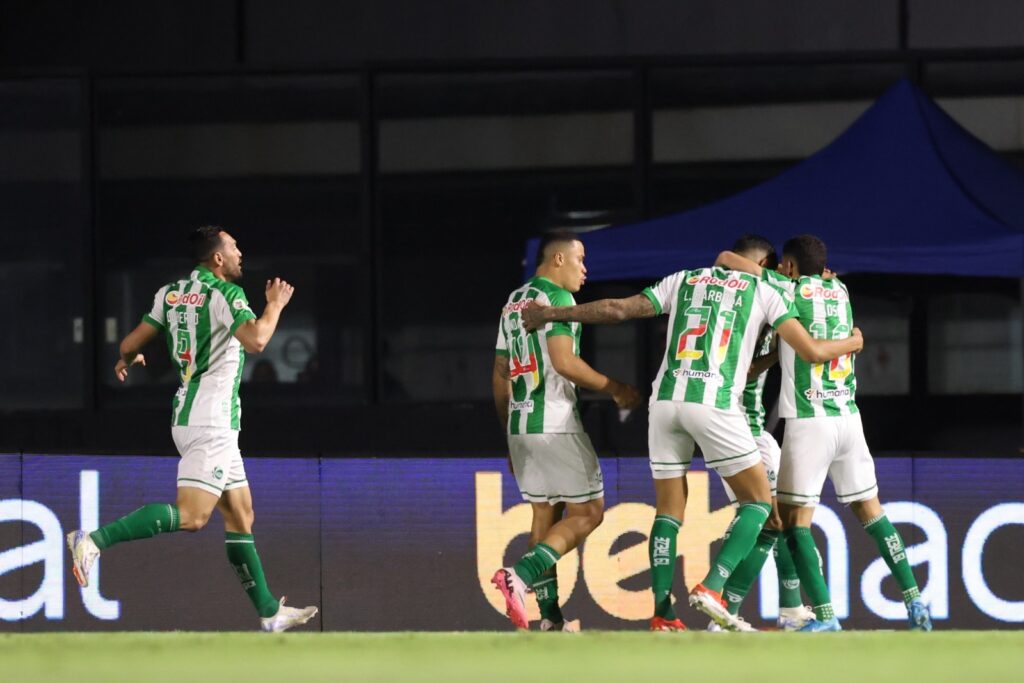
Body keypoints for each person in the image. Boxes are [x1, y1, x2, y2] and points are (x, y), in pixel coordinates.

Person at [522, 259, 862, 631]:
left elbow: (616, 309)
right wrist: (850, 333)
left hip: (665, 403)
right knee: (761, 504)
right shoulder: (769, 290)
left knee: (669, 511)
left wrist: (551, 313)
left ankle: (662, 613)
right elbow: (810, 349)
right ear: (765, 265)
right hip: (714, 403)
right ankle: (714, 589)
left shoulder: (683, 279)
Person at [66, 225, 318, 633]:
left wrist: (127, 359)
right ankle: (92, 540)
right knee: (193, 516)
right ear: (217, 258)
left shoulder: (170, 293)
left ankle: (270, 612)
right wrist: (274, 305)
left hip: (194, 415)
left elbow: (130, 342)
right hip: (211, 420)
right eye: (234, 247)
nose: (240, 253)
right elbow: (256, 341)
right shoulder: (226, 295)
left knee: (241, 514)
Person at [716, 234, 932, 632]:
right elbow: (805, 313)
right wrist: (853, 340)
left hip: (810, 420)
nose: (778, 270)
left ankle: (826, 618)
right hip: (849, 418)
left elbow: (728, 258)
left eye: (782, 265)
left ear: (792, 268)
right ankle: (915, 601)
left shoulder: (786, 287)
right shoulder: (840, 289)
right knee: (873, 512)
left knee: (794, 523)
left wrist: (771, 275)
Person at [491, 231, 642, 631]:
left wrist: (509, 432)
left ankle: (551, 619)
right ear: (558, 260)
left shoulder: (512, 301)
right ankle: (519, 576)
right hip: (555, 421)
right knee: (590, 512)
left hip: (522, 424)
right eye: (580, 259)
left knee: (545, 514)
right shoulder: (557, 300)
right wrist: (616, 387)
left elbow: (499, 374)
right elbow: (564, 362)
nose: (585, 269)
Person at [709, 235, 815, 632]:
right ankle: (723, 605)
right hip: (740, 430)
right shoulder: (752, 298)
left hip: (749, 430)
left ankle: (785, 608)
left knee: (779, 520)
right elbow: (749, 369)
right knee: (772, 518)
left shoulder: (754, 301)